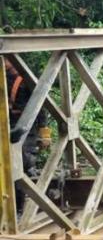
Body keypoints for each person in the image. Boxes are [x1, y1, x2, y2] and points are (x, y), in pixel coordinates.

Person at [5, 59, 50, 215]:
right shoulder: (4, 77)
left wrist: (44, 133)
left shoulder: (26, 79)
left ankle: (19, 208)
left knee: (21, 162)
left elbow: (41, 105)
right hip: (8, 125)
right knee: (10, 164)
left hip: (27, 125)